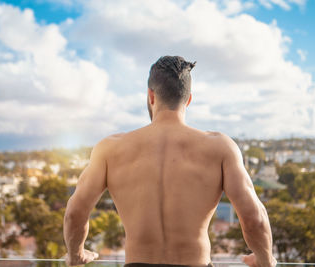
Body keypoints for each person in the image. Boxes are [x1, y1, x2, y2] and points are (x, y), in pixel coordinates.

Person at [63, 56, 277, 267]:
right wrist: (265, 260)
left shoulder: (109, 149)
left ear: (151, 96)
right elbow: (254, 218)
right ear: (189, 99)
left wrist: (76, 255)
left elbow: (75, 212)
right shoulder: (220, 147)